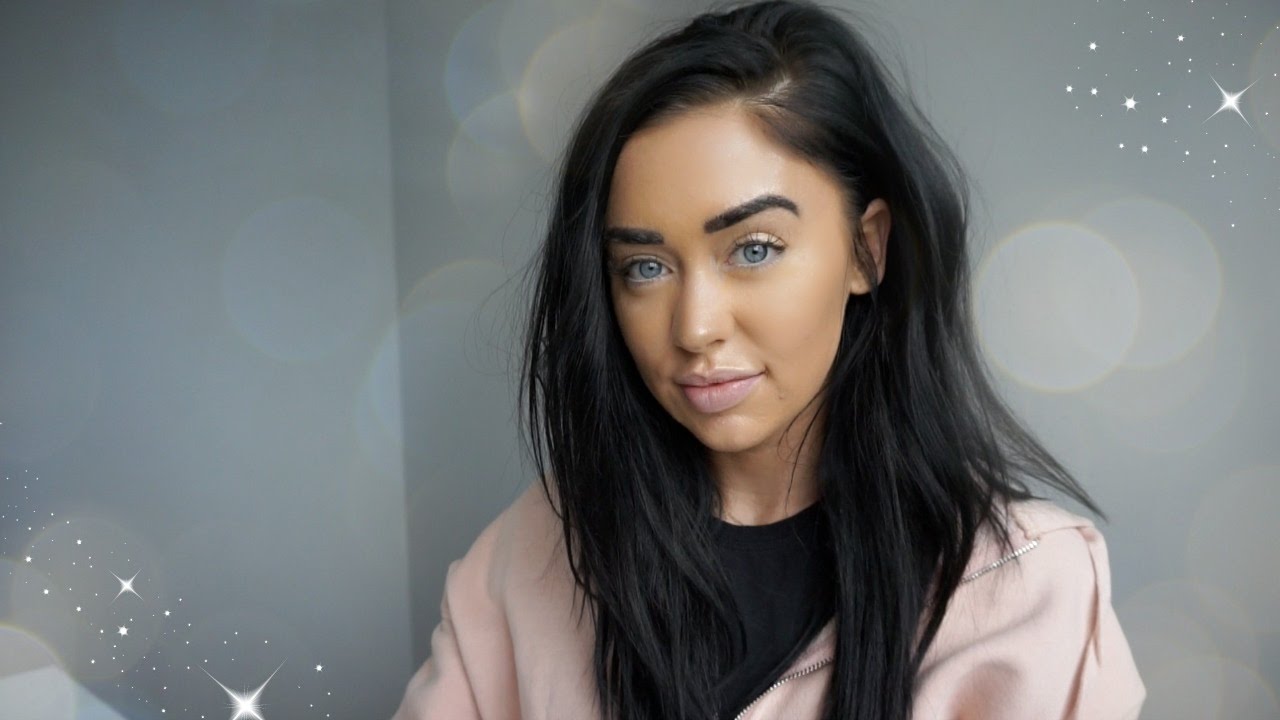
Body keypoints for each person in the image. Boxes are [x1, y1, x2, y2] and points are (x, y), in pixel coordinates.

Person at [390, 1, 1147, 718]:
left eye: (753, 250)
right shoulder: (526, 561)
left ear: (866, 250)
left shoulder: (1024, 590)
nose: (695, 327)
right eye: (645, 267)